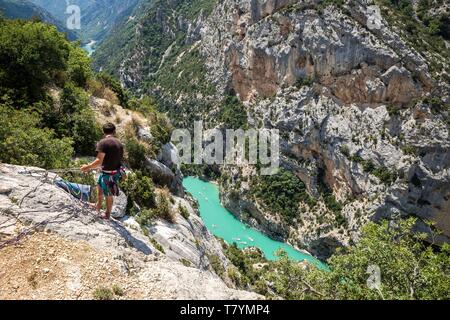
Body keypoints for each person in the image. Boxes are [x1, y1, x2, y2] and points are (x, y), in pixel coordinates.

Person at [81, 123, 124, 220]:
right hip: (112, 172)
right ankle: (97, 205)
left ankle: (107, 214)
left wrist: (87, 167)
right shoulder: (119, 143)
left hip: (108, 173)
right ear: (114, 131)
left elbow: (99, 160)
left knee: (108, 194)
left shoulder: (103, 143)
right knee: (99, 187)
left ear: (103, 131)